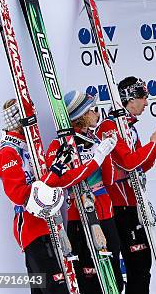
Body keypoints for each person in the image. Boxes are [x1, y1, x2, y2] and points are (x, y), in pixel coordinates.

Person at [0, 98, 111, 294]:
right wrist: (54, 173)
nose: (35, 121)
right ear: (18, 121)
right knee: (57, 289)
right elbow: (24, 197)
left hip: (51, 226)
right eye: (30, 117)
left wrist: (94, 160)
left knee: (43, 290)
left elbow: (57, 181)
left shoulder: (30, 149)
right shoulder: (7, 153)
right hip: (34, 230)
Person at [96, 76, 156, 294]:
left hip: (133, 203)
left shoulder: (129, 126)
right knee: (134, 266)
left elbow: (142, 165)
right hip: (116, 207)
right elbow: (128, 163)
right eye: (143, 98)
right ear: (130, 99)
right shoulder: (109, 126)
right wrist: (153, 143)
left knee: (142, 266)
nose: (146, 103)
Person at [46, 91, 124, 293]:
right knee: (88, 276)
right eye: (91, 110)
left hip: (102, 211)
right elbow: (60, 181)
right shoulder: (60, 145)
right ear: (81, 115)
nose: (96, 113)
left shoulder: (94, 139)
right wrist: (98, 157)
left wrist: (105, 152)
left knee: (111, 273)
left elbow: (108, 178)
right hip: (78, 215)